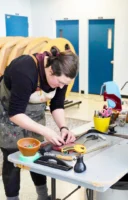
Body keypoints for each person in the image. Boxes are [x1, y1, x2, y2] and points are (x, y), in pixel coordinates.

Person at [0, 48, 79, 200]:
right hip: (8, 112)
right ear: (50, 71)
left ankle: (43, 197)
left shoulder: (62, 76)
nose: (62, 87)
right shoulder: (25, 70)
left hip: (34, 114)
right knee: (12, 158)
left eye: (66, 84)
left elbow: (57, 105)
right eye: (61, 82)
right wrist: (45, 131)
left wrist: (63, 127)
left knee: (36, 155)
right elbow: (15, 113)